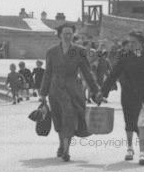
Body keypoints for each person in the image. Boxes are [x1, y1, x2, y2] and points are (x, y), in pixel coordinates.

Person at [40, 23, 100, 162]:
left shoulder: (79, 51)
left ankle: (66, 149)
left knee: (69, 117)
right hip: (55, 90)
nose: (67, 36)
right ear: (60, 34)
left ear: (73, 35)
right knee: (58, 119)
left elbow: (87, 72)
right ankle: (62, 144)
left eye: (70, 33)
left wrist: (95, 90)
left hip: (72, 89)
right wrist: (43, 92)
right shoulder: (52, 52)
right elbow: (47, 73)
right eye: (65, 33)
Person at [102, 30, 144, 165]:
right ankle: (129, 148)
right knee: (129, 122)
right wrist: (103, 92)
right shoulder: (124, 57)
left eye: (134, 42)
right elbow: (113, 75)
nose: (131, 45)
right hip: (128, 94)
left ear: (142, 43)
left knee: (142, 123)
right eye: (130, 42)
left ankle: (142, 153)